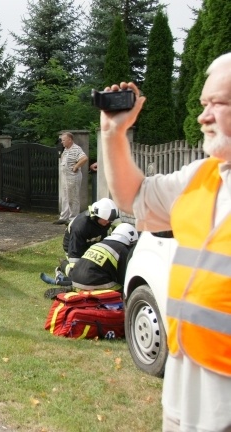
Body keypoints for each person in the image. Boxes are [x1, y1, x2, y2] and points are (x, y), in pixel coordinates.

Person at [99, 53, 231, 431]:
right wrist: (113, 134)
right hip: (187, 367)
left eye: (216, 104)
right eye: (203, 104)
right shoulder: (203, 175)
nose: (203, 117)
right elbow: (133, 196)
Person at [43, 222, 137, 299]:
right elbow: (124, 278)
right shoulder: (123, 250)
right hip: (93, 285)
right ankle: (86, 293)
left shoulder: (99, 244)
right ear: (131, 240)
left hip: (75, 280)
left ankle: (73, 290)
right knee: (124, 290)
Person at [60, 197, 119, 276]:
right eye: (106, 220)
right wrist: (75, 270)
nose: (108, 222)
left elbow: (119, 228)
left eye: (110, 220)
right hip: (73, 245)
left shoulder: (107, 217)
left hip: (92, 243)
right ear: (97, 216)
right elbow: (75, 251)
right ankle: (63, 265)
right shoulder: (81, 226)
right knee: (78, 273)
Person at [54, 132, 88, 225]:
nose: (62, 142)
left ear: (70, 140)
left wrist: (76, 166)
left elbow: (84, 158)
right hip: (65, 177)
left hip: (73, 178)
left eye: (64, 140)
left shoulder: (76, 149)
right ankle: (64, 217)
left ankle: (73, 218)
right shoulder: (65, 149)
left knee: (73, 198)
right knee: (65, 197)